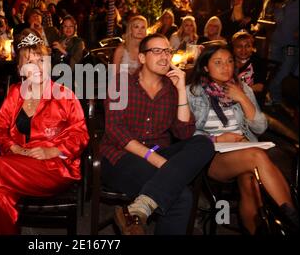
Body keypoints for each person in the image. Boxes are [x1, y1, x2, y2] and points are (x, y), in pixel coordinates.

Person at [0, 29, 89, 234]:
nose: (38, 68)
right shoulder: (16, 93)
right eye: (30, 62)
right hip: (16, 164)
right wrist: (13, 147)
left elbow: (81, 135)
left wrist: (53, 150)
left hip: (54, 168)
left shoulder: (64, 95)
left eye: (42, 60)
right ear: (20, 69)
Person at [101, 33, 215, 235]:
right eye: (157, 51)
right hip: (121, 157)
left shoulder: (171, 89)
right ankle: (141, 207)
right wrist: (157, 161)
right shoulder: (121, 82)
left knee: (203, 143)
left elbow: (184, 132)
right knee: (182, 197)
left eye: (167, 51)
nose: (164, 56)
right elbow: (115, 130)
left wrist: (181, 89)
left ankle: (141, 207)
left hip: (160, 153)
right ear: (142, 58)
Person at [186, 42, 298, 234]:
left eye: (229, 61)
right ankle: (292, 220)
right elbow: (183, 133)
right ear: (205, 67)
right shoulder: (192, 92)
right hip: (210, 155)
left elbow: (260, 127)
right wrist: (218, 140)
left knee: (251, 182)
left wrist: (243, 98)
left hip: (243, 152)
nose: (226, 67)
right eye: (218, 62)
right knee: (257, 157)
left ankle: (260, 231)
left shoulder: (242, 88)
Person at [231, 31, 267, 104]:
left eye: (247, 46)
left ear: (252, 48)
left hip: (249, 100)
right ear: (233, 48)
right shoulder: (228, 60)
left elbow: (260, 87)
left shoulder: (258, 62)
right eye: (239, 46)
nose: (243, 50)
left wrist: (240, 93)